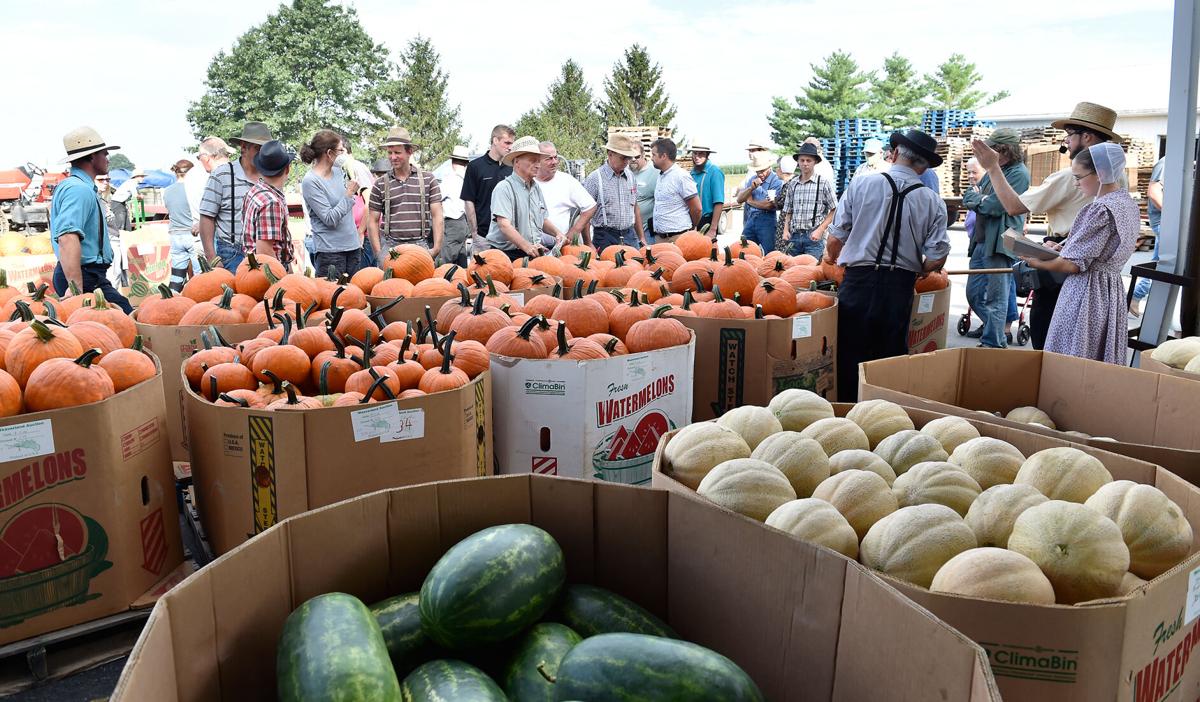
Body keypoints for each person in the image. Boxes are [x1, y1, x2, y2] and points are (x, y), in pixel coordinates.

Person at [972, 101, 1121, 348]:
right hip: (1095, 279)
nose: (1067, 141)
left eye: (1070, 135)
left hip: (1064, 272)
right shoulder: (1117, 179)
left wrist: (993, 168)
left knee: (1047, 340)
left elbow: (1013, 206)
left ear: (1086, 137)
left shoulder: (1069, 177)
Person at [826, 129, 949, 401]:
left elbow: (835, 238)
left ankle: (847, 410)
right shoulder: (933, 202)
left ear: (893, 154)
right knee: (889, 358)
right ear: (924, 166)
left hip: (857, 281)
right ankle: (882, 412)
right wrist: (923, 269)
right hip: (899, 287)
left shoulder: (860, 184)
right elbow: (937, 256)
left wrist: (832, 259)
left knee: (849, 353)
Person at [1015, 144, 1139, 364]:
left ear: (1100, 173)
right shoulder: (1127, 203)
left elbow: (1073, 264)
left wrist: (1037, 262)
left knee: (1074, 356)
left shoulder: (1099, 209)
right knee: (1099, 356)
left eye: (1079, 177)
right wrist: (1063, 248)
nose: (1076, 183)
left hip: (1087, 292)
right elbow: (1099, 250)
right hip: (1111, 289)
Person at [49, 126, 134, 313]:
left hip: (87, 274)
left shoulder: (77, 187)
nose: (108, 158)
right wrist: (76, 288)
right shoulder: (78, 190)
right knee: (125, 317)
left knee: (113, 322)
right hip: (84, 275)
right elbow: (67, 237)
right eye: (105, 153)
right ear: (92, 157)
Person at [962, 128, 1029, 349]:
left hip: (1000, 243)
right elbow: (968, 195)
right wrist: (981, 200)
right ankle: (997, 334)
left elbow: (996, 206)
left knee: (996, 297)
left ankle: (993, 342)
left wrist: (980, 200)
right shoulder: (996, 170)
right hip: (981, 241)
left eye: (991, 149)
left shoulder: (1018, 173)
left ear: (1003, 150)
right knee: (974, 294)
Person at [200, 121, 273, 272]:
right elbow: (207, 217)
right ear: (244, 147)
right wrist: (212, 258)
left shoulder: (270, 176)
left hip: (265, 252)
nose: (263, 153)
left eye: (265, 149)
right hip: (232, 254)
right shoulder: (221, 175)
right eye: (258, 148)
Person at [367, 127, 444, 265]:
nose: (393, 157)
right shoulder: (380, 184)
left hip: (420, 246)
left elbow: (437, 215)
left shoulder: (428, 179)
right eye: (389, 153)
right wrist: (379, 254)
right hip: (391, 247)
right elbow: (372, 221)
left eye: (397, 152)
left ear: (409, 152)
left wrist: (436, 248)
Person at [485, 135, 564, 260]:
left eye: (538, 161)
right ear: (517, 162)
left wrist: (558, 233)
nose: (538, 165)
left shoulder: (536, 188)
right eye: (533, 160)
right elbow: (504, 225)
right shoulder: (504, 188)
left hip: (531, 252)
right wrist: (527, 246)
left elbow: (542, 219)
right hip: (506, 256)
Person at [300, 130, 362, 278]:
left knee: (356, 291)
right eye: (340, 150)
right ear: (329, 153)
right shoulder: (311, 181)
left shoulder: (339, 171)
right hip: (330, 253)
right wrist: (349, 194)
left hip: (353, 247)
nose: (344, 154)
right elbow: (329, 219)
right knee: (332, 292)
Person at [583, 133, 645, 253]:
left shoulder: (630, 177)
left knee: (635, 264)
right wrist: (588, 243)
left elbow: (635, 208)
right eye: (623, 158)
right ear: (610, 154)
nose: (626, 162)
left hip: (629, 235)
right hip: (605, 236)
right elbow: (585, 213)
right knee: (607, 264)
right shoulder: (595, 178)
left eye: (628, 158)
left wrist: (641, 237)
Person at [242, 140, 296, 270]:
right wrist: (282, 277)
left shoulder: (254, 191)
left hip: (254, 268)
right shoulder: (271, 202)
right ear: (287, 169)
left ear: (261, 169)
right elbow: (265, 252)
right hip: (268, 271)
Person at [462, 124, 515, 253]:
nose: (510, 147)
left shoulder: (512, 168)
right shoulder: (475, 166)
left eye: (511, 143)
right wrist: (474, 233)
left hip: (508, 238)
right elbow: (469, 201)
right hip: (483, 236)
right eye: (507, 143)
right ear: (495, 140)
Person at [781, 143, 838, 258]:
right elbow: (789, 210)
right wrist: (785, 230)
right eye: (802, 160)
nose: (805, 163)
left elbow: (835, 209)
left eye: (808, 160)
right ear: (798, 162)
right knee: (792, 268)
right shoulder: (793, 183)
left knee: (812, 268)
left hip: (813, 237)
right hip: (794, 237)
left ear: (815, 162)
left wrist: (820, 230)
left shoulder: (822, 183)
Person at [535, 141, 596, 246]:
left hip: (560, 248)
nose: (554, 162)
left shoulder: (566, 181)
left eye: (555, 157)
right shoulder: (530, 182)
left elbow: (590, 207)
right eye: (549, 159)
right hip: (533, 248)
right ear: (537, 161)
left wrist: (574, 231)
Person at [1130, 155, 1165, 316]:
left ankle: (1137, 296)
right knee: (1165, 265)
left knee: (1162, 264)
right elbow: (1154, 191)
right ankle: (1136, 295)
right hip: (1166, 222)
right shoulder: (1168, 162)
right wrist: (1173, 217)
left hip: (1168, 222)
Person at [649, 138, 700, 241]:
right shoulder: (662, 175)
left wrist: (691, 228)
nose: (651, 158)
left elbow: (697, 209)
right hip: (661, 238)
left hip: (677, 237)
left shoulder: (681, 176)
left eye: (654, 155)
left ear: (663, 156)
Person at [736, 151, 784, 253]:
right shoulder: (752, 179)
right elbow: (739, 199)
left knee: (768, 252)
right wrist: (751, 188)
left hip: (767, 220)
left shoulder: (776, 181)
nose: (760, 174)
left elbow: (769, 205)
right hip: (751, 218)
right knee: (744, 249)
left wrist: (750, 202)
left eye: (762, 171)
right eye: (757, 171)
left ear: (769, 167)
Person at [165, 159, 201, 291]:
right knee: (201, 276)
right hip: (193, 235)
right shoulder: (194, 189)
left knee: (177, 276)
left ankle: (171, 297)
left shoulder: (167, 191)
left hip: (175, 235)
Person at [187, 138, 232, 240]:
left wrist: (202, 223)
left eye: (199, 157)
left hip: (226, 241)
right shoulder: (238, 172)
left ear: (206, 158)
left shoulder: (217, 176)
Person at [439, 145, 472, 267]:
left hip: (452, 223)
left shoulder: (450, 179)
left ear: (452, 161)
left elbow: (436, 198)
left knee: (445, 260)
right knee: (461, 258)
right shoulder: (468, 179)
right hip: (464, 221)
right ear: (466, 163)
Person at [689, 141, 724, 235]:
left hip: (707, 221)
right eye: (694, 153)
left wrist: (713, 229)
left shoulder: (715, 171)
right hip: (692, 221)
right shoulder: (692, 173)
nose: (697, 157)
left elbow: (719, 202)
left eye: (701, 154)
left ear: (707, 154)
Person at [631, 146, 658, 235]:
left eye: (637, 156)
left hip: (647, 230)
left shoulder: (655, 172)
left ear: (643, 155)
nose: (633, 159)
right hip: (629, 230)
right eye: (630, 156)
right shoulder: (625, 172)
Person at [772, 156, 796, 251]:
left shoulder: (788, 185)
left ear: (781, 170)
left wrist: (774, 200)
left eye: (778, 167)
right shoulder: (796, 181)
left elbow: (781, 205)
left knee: (783, 250)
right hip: (792, 223)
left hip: (785, 223)